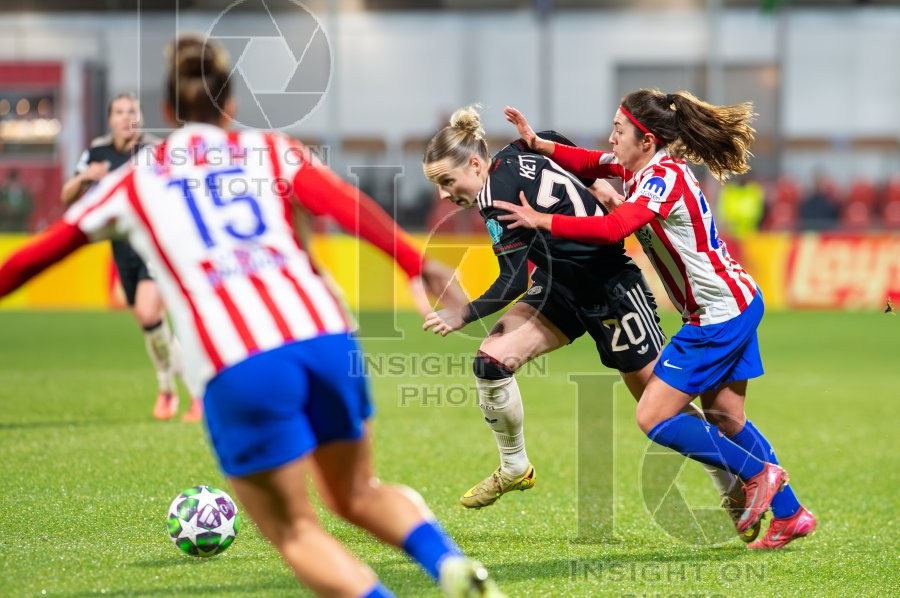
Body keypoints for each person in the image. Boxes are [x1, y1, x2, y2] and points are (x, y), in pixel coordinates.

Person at [0, 35, 502, 597]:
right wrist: (418, 264)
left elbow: (33, 257)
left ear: (167, 111)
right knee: (359, 492)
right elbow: (346, 204)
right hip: (325, 337)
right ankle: (451, 565)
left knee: (295, 530)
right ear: (231, 105)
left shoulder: (137, 177)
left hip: (239, 361)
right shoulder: (270, 150)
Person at [420, 106, 757, 542]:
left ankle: (731, 480)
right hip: (558, 289)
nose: (445, 195)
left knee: (660, 407)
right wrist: (597, 184)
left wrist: (461, 313)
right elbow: (553, 136)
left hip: (610, 288)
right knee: (491, 362)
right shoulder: (521, 147)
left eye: (447, 181)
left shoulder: (494, 197)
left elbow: (514, 279)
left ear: (475, 163)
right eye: (438, 186)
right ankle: (514, 465)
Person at [497, 92, 817, 550]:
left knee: (652, 415)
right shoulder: (645, 167)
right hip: (736, 301)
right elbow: (590, 161)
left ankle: (758, 474)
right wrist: (538, 143)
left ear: (645, 140)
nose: (611, 138)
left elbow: (613, 229)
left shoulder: (661, 178)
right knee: (727, 415)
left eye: (619, 130)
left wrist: (541, 220)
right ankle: (790, 515)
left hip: (716, 316)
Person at [61, 92, 201, 422]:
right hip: (121, 248)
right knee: (149, 323)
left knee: (148, 310)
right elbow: (66, 196)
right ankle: (169, 389)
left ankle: (194, 394)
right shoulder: (97, 152)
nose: (127, 118)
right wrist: (84, 177)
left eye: (133, 112)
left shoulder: (154, 152)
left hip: (154, 245)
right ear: (111, 119)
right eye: (120, 112)